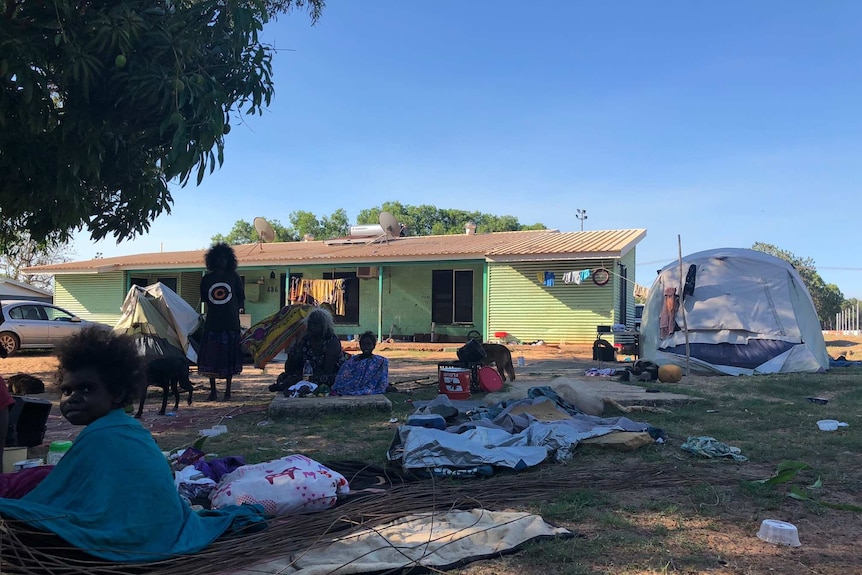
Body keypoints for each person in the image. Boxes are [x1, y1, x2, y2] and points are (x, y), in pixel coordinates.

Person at [0, 327, 264, 562]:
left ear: (116, 393)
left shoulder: (106, 435)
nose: (73, 399)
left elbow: (67, 499)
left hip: (135, 538)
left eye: (86, 390)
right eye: (67, 391)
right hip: (159, 530)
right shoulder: (121, 429)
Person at [198, 242, 245, 401]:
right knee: (211, 357)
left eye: (225, 258)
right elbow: (206, 300)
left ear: (230, 260)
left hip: (231, 324)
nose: (222, 261)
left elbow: (241, 300)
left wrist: (234, 312)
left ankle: (228, 391)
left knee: (229, 358)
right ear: (212, 260)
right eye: (218, 258)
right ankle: (212, 391)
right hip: (212, 323)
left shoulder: (234, 277)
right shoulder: (207, 279)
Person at [270, 307, 345, 396]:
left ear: (324, 326)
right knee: (283, 376)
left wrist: (301, 378)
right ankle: (298, 385)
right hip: (307, 374)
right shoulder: (305, 340)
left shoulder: (332, 341)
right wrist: (293, 355)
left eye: (316, 324)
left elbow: (327, 370)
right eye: (310, 324)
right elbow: (290, 368)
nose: (312, 327)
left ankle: (296, 386)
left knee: (328, 379)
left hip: (327, 374)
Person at [331, 331, 389, 396]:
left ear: (374, 345)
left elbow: (382, 380)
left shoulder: (380, 362)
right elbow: (343, 377)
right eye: (363, 344)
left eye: (368, 344)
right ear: (360, 345)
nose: (366, 347)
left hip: (369, 388)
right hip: (350, 388)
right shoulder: (352, 361)